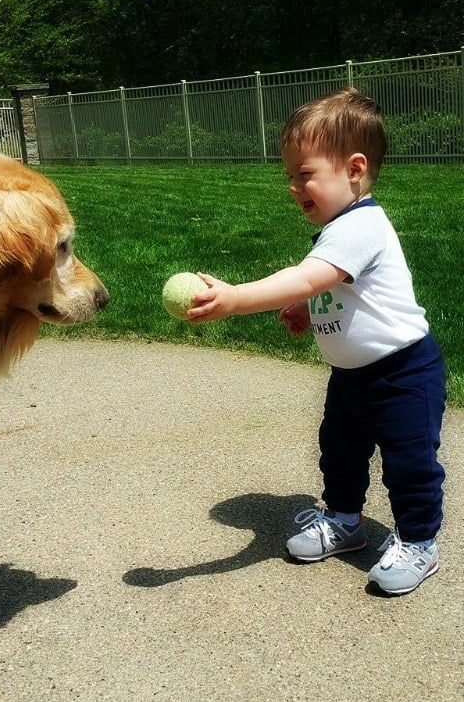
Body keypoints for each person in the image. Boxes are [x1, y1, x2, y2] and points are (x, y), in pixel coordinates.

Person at [188, 87, 446, 595]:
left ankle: (419, 542)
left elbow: (309, 276)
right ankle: (346, 521)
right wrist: (310, 310)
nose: (293, 186)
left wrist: (236, 298)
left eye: (304, 173)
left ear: (353, 169)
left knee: (409, 462)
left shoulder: (362, 225)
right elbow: (333, 286)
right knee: (340, 451)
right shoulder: (341, 227)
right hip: (352, 376)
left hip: (403, 373)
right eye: (290, 175)